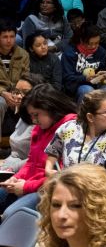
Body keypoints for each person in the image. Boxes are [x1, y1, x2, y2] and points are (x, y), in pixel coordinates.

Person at [0, 84, 76, 214]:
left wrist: (26, 186)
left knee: (11, 213)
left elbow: (60, 174)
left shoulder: (70, 129)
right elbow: (31, 162)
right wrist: (15, 178)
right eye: (31, 116)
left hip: (49, 188)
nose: (34, 120)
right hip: (29, 183)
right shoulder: (39, 128)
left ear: (51, 108)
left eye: (36, 115)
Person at [60, 23, 106, 101]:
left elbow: (103, 68)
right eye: (90, 44)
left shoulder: (101, 51)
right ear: (81, 40)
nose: (93, 46)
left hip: (96, 83)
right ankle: (83, 113)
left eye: (97, 43)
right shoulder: (70, 53)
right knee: (87, 90)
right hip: (77, 86)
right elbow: (67, 77)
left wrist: (103, 74)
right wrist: (85, 78)